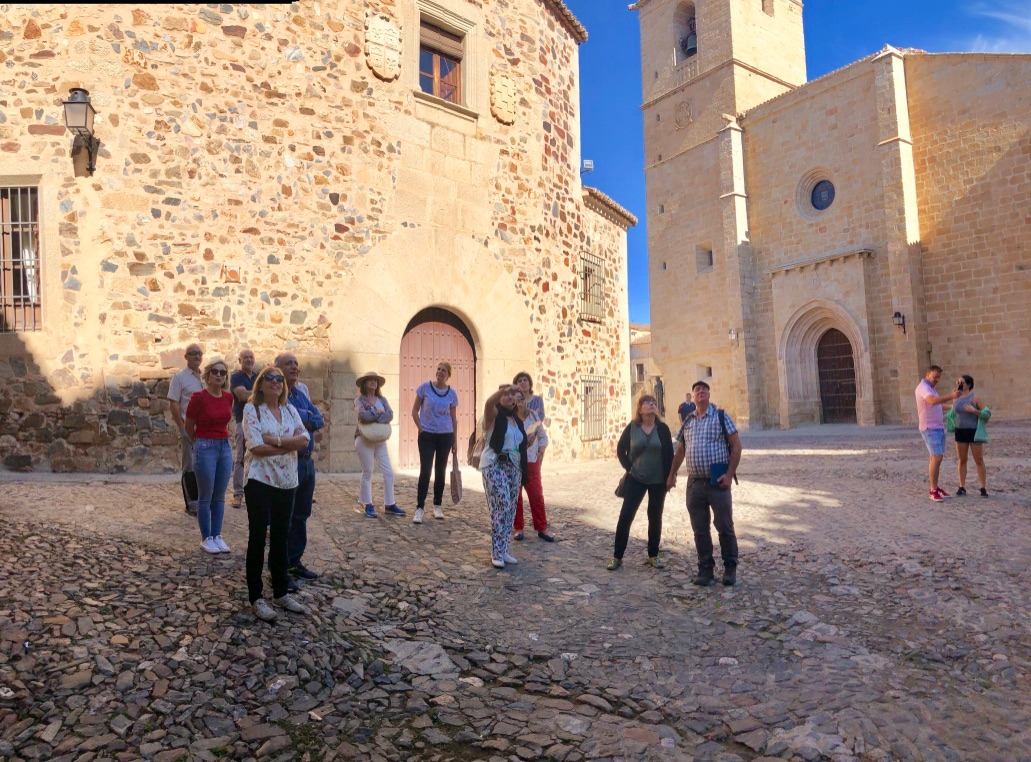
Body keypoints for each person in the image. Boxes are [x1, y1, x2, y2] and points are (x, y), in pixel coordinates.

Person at [242, 365, 310, 622]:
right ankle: (256, 597)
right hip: (260, 479)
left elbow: (305, 440)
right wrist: (288, 446)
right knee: (258, 536)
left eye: (279, 379)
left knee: (282, 536)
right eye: (269, 378)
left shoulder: (289, 410)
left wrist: (278, 441)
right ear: (260, 384)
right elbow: (256, 447)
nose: (276, 382)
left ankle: (281, 592)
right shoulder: (253, 409)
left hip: (287, 480)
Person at [666, 380, 743, 587]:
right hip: (695, 484)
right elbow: (680, 450)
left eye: (704, 389)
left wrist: (729, 475)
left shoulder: (720, 416)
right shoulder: (688, 421)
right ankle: (705, 569)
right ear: (692, 396)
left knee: (724, 526)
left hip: (718, 481)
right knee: (699, 529)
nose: (700, 391)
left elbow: (736, 446)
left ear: (709, 394)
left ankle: (730, 567)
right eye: (697, 389)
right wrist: (672, 474)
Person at [607, 395, 674, 571]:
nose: (651, 404)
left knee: (655, 517)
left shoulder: (663, 429)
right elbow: (621, 450)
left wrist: (671, 476)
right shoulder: (632, 427)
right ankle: (617, 557)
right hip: (636, 479)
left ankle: (653, 555)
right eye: (647, 402)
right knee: (626, 516)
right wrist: (629, 468)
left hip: (658, 480)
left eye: (653, 402)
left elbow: (669, 454)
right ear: (640, 409)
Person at [275, 353, 325, 582]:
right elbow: (288, 422)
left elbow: (319, 420)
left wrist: (305, 417)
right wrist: (307, 417)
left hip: (306, 462)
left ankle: (294, 561)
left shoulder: (300, 394)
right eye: (289, 363)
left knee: (301, 514)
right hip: (289, 461)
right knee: (284, 515)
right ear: (277, 368)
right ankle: (279, 567)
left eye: (296, 363)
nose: (294, 367)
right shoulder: (277, 394)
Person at [185, 358, 235, 554]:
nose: (219, 375)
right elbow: (189, 425)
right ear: (208, 375)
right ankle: (206, 538)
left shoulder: (228, 397)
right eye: (215, 371)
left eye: (223, 372)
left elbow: (226, 421)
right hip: (205, 445)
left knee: (220, 496)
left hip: (224, 446)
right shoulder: (199, 397)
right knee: (206, 495)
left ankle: (217, 535)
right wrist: (197, 441)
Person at [477, 384, 528, 569]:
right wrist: (504, 388)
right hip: (494, 464)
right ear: (499, 397)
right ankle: (496, 552)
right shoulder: (493, 415)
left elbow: (517, 443)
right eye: (505, 394)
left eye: (512, 395)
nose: (509, 397)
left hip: (513, 467)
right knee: (502, 506)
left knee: (511, 509)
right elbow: (488, 403)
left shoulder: (516, 419)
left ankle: (504, 548)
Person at [411, 361, 459, 524]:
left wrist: (455, 441)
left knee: (440, 470)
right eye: (438, 369)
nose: (440, 372)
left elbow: (454, 419)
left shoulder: (452, 393)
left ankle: (437, 505)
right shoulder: (424, 388)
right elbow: (414, 410)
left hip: (445, 436)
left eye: (444, 370)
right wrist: (420, 428)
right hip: (427, 435)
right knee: (425, 470)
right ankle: (419, 508)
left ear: (448, 374)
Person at [354, 371, 405, 518]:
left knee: (388, 471)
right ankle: (368, 504)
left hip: (380, 440)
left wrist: (373, 414)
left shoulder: (382, 399)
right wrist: (378, 413)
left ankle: (390, 504)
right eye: (370, 380)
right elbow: (362, 416)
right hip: (364, 439)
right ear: (364, 384)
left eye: (375, 380)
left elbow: (390, 415)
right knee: (367, 472)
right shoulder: (359, 400)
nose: (373, 382)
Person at [512, 372, 554, 542]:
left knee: (536, 495)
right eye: (518, 398)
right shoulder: (510, 418)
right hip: (515, 461)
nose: (521, 401)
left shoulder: (534, 416)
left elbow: (543, 437)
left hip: (531, 460)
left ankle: (542, 528)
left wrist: (540, 451)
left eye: (523, 398)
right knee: (516, 496)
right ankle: (518, 528)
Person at [167, 344, 205, 517]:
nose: (197, 356)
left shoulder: (206, 378)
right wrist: (182, 427)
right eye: (193, 353)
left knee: (203, 464)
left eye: (199, 353)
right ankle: (192, 504)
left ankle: (203, 500)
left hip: (205, 430)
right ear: (186, 357)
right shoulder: (179, 378)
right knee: (190, 465)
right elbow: (174, 403)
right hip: (189, 428)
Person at [915, 365, 960, 502]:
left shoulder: (931, 388)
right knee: (937, 457)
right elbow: (932, 401)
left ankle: (935, 487)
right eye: (935, 377)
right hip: (929, 428)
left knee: (935, 458)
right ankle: (933, 490)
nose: (937, 380)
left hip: (937, 427)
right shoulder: (924, 387)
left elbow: (936, 405)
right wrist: (951, 396)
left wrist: (951, 406)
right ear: (927, 375)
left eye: (938, 377)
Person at [229, 349, 258, 509]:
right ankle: (238, 494)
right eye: (245, 357)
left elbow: (251, 395)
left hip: (259, 422)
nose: (249, 360)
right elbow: (242, 396)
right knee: (240, 457)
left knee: (257, 457)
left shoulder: (258, 376)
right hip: (243, 421)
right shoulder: (236, 377)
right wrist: (259, 392)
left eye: (251, 357)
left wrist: (250, 393)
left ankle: (252, 493)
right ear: (240, 361)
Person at [952, 374, 989, 497]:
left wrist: (974, 411)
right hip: (960, 430)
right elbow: (954, 410)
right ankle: (961, 486)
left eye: (961, 383)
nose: (959, 385)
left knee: (978, 459)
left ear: (968, 385)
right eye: (958, 382)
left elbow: (986, 413)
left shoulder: (975, 397)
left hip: (973, 431)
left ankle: (983, 487)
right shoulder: (956, 397)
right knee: (962, 459)